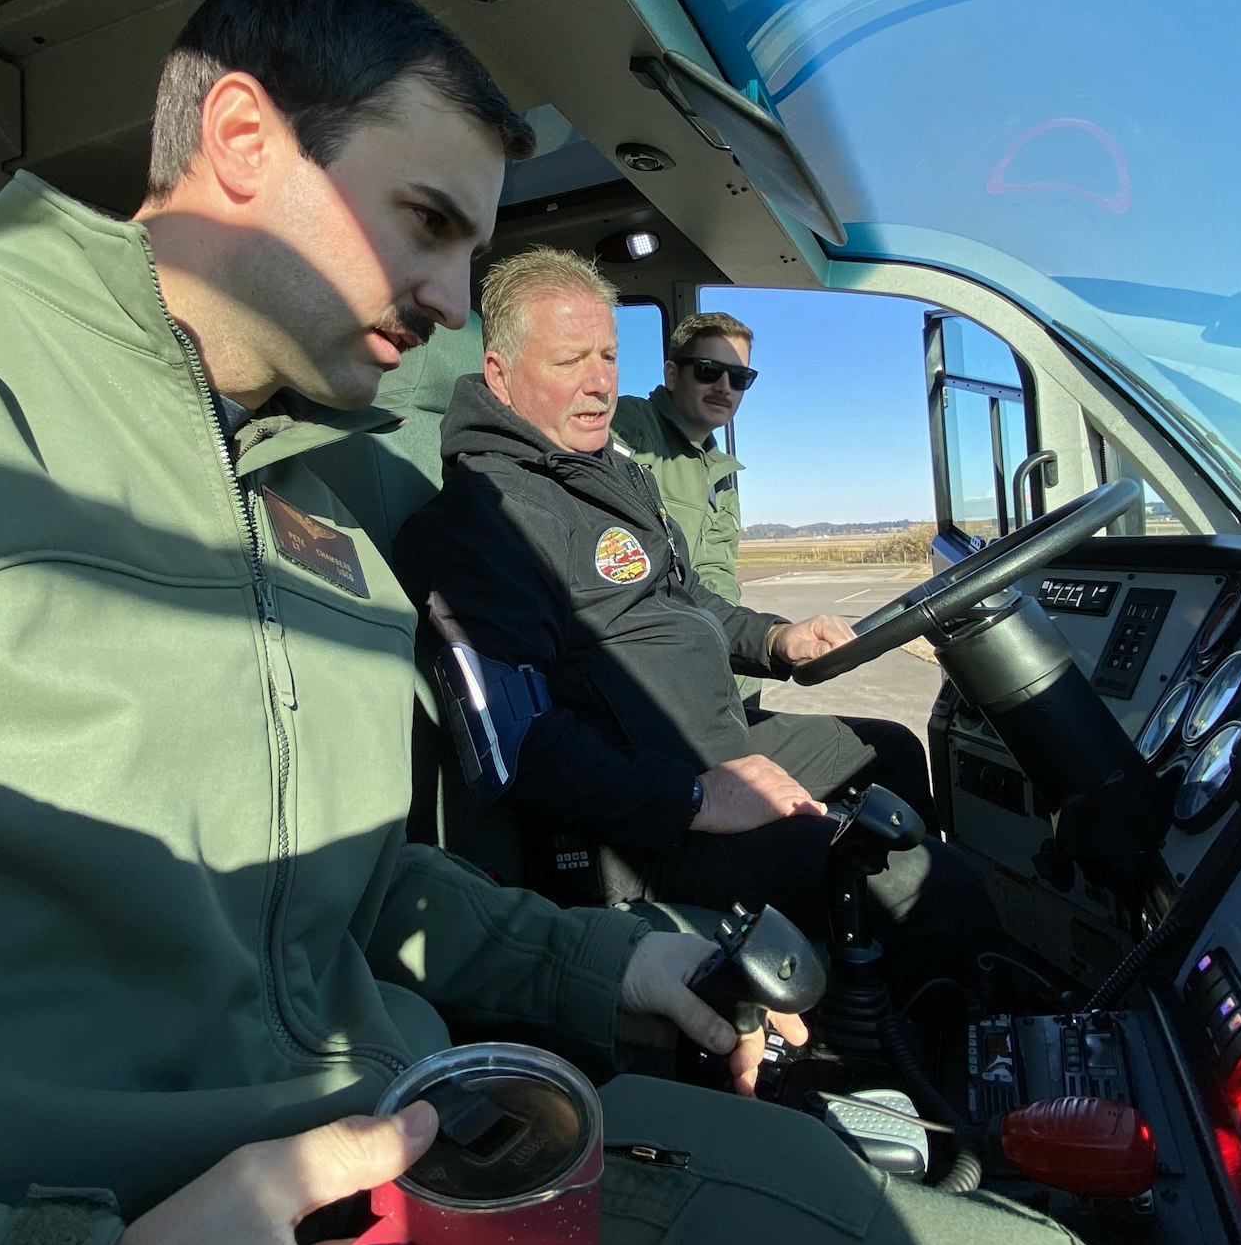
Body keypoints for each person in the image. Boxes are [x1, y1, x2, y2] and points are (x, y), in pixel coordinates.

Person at [0, 0, 1090, 1245]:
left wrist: (599, 965)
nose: (447, 299)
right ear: (243, 139)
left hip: (435, 1138)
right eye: (424, 220)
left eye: (470, 251)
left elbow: (340, 896)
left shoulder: (319, 519)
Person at [394, 249, 1001, 993]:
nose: (600, 382)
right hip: (638, 822)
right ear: (499, 374)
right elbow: (515, 745)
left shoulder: (605, 474)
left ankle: (887, 991)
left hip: (713, 747)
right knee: (932, 886)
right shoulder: (484, 520)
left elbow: (689, 601)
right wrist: (696, 798)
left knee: (890, 752)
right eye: (570, 360)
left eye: (608, 355)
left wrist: (775, 640)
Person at [612, 311, 762, 703]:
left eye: (740, 377)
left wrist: (752, 641)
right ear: (673, 374)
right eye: (708, 370)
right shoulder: (632, 426)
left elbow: (716, 574)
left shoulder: (721, 475)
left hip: (702, 654)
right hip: (643, 659)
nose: (725, 387)